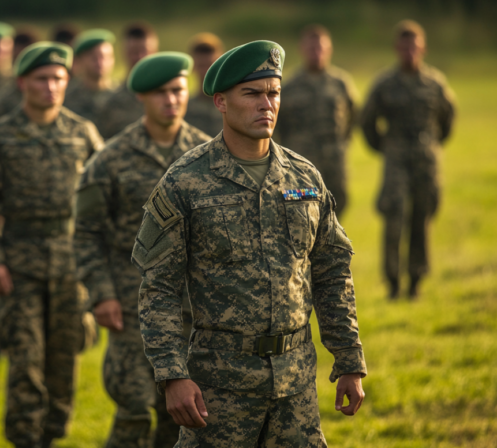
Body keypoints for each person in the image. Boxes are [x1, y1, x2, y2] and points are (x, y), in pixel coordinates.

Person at [133, 40, 367, 446]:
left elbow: (332, 272)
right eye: (252, 94)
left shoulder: (304, 178)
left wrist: (348, 359)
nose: (267, 104)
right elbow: (160, 288)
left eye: (273, 92)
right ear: (221, 102)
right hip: (219, 389)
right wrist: (173, 375)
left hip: (295, 386)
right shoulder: (185, 181)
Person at [0, 42, 104, 448]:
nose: (51, 87)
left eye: (58, 79)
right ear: (23, 82)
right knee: (26, 360)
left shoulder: (83, 134)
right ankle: (25, 437)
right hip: (18, 264)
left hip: (71, 265)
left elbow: (103, 203)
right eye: (42, 79)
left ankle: (52, 434)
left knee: (64, 360)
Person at [75, 52, 210, 448]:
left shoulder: (206, 156)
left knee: (183, 416)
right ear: (142, 98)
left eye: (177, 90)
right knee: (133, 409)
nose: (171, 100)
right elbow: (86, 233)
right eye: (160, 93)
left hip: (192, 308)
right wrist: (100, 295)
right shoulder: (110, 160)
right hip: (131, 304)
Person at [361, 20, 455, 299]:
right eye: (404, 47)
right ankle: (392, 282)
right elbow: (367, 121)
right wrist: (386, 147)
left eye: (414, 46)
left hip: (427, 161)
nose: (409, 52)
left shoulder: (435, 82)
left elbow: (448, 118)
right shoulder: (384, 83)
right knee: (394, 216)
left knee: (421, 218)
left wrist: (432, 144)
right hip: (396, 160)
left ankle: (416, 280)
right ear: (396, 49)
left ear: (423, 48)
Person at [276, 24, 358, 219]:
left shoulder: (340, 82)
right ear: (302, 50)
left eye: (321, 48)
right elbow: (278, 125)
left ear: (329, 50)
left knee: (337, 207)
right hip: (301, 164)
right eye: (311, 48)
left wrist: (342, 142)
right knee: (302, 210)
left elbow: (354, 115)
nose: (316, 53)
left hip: (334, 162)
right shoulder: (289, 86)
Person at [95, 22, 158, 138]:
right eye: (134, 52)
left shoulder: (168, 97)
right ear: (124, 53)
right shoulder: (110, 102)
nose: (140, 57)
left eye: (144, 51)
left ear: (155, 52)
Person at [63, 29, 117, 124]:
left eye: (105, 57)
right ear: (79, 60)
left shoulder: (122, 94)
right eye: (94, 58)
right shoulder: (66, 97)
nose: (100, 63)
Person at [184, 32, 225, 136]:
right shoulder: (184, 108)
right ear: (192, 67)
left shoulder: (233, 105)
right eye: (201, 66)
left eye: (211, 66)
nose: (206, 72)